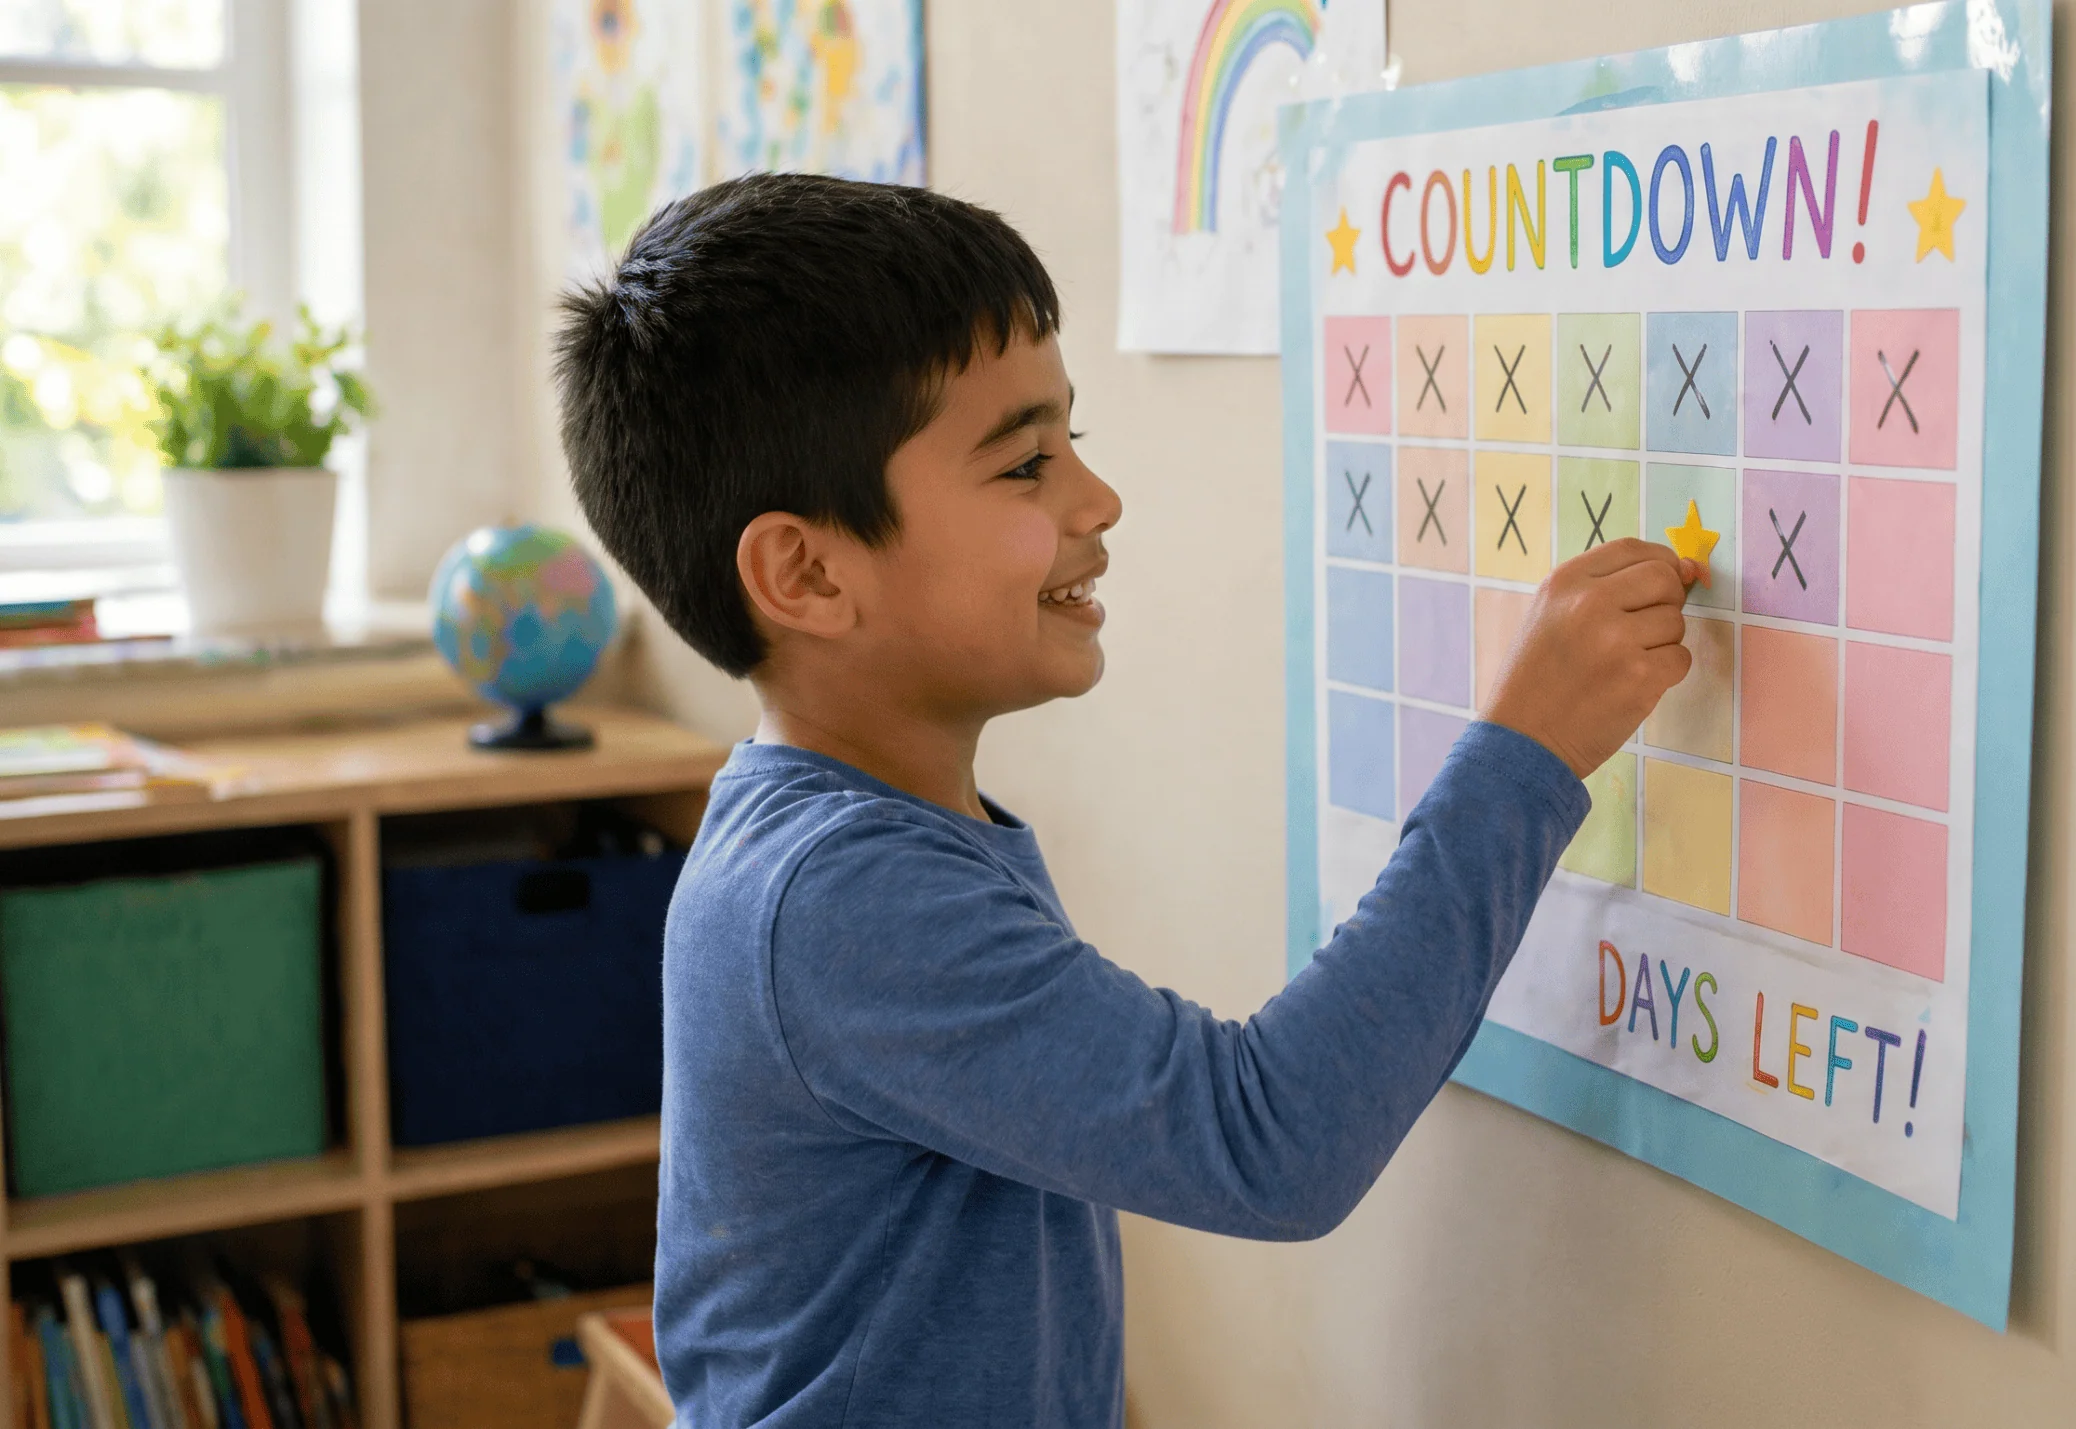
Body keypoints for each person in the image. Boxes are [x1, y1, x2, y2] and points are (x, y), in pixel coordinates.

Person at [552, 173, 1697, 1427]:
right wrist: (1524, 752)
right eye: (1026, 463)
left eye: (1073, 445)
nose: (1096, 503)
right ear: (808, 571)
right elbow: (1271, 1142)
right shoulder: (842, 893)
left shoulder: (847, 836)